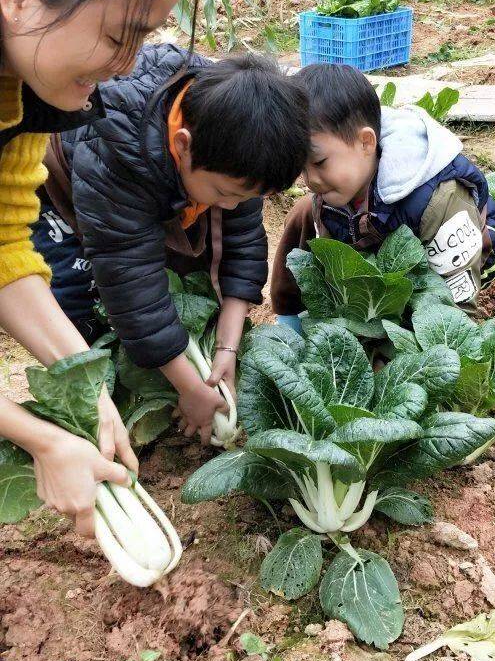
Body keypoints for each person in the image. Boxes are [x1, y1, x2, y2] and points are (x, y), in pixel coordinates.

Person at [0, 0, 200, 535]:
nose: (130, 65)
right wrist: (41, 437)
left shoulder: (28, 82)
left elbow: (3, 245)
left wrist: (84, 383)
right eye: (120, 36)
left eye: (146, 39)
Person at [33, 46, 310, 442]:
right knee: (79, 302)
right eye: (225, 192)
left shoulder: (238, 141)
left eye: (246, 197)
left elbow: (242, 246)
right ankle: (99, 418)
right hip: (66, 184)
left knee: (195, 269)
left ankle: (169, 373)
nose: (233, 205)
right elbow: (131, 282)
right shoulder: (119, 154)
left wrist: (227, 350)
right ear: (183, 145)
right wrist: (190, 387)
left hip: (157, 177)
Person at [271, 64, 495, 326]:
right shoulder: (337, 182)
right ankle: (290, 321)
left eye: (318, 163)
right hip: (379, 242)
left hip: (467, 249)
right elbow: (333, 259)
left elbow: (456, 309)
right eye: (301, 167)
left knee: (418, 315)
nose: (310, 179)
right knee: (303, 211)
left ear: (366, 143)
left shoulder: (437, 199)